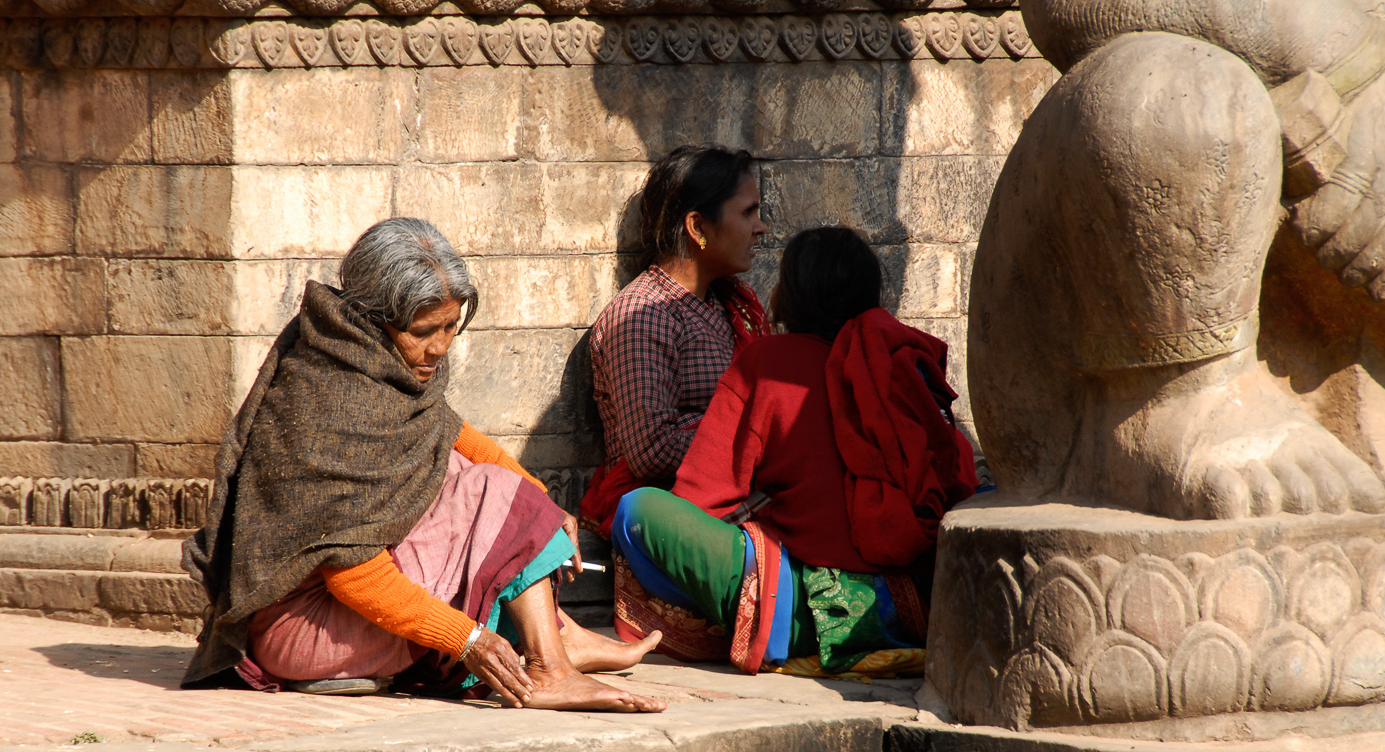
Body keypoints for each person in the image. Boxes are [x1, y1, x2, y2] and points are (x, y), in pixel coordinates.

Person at [181, 217, 664, 713]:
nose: (440, 347)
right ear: (374, 318)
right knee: (488, 493)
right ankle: (549, 668)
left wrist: (536, 499)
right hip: (306, 631)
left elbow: (450, 433)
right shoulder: (334, 399)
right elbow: (353, 575)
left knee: (467, 472)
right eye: (424, 331)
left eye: (451, 326)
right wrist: (468, 638)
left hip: (343, 618)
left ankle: (558, 637)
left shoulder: (374, 360)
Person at [608, 228, 981, 678]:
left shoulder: (769, 362)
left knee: (636, 510)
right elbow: (957, 473)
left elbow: (700, 499)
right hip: (916, 605)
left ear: (793, 294)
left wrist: (752, 517)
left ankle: (758, 626)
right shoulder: (900, 360)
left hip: (798, 609)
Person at [580, 145, 770, 538]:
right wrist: (755, 431)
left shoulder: (728, 304)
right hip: (668, 507)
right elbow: (652, 449)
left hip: (731, 487)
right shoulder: (643, 314)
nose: (760, 227)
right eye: (748, 212)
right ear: (698, 227)